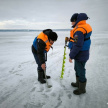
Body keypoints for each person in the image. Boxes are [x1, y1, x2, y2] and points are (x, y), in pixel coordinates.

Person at [66, 13, 92, 95]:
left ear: (76, 21)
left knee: (80, 70)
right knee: (77, 68)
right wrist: (70, 40)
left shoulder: (79, 31)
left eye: (72, 22)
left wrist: (71, 56)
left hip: (80, 54)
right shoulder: (83, 27)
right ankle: (78, 83)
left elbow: (77, 45)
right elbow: (77, 41)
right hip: (82, 53)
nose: (71, 24)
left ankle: (82, 89)